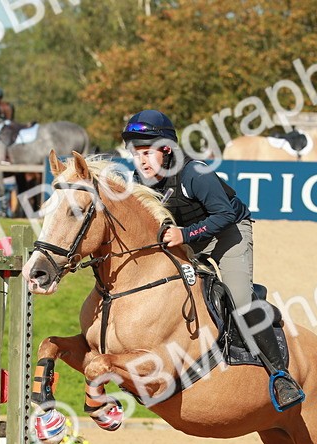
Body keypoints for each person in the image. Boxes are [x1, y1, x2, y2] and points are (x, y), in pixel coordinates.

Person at [121, 109, 303, 411]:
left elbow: (225, 214)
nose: (141, 161)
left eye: (147, 152)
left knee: (240, 300)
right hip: (187, 238)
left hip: (227, 233)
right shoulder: (139, 181)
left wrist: (185, 234)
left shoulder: (195, 173)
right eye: (135, 153)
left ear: (167, 149)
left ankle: (281, 376)